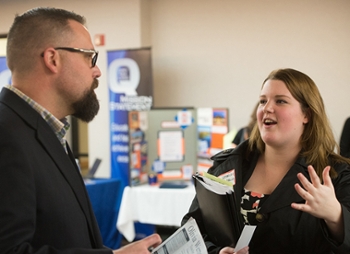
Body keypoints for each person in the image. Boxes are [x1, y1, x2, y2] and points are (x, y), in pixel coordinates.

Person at [0, 7, 161, 254]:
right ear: (53, 59)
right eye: (89, 57)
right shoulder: (6, 134)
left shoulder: (48, 129)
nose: (97, 70)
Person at [182, 68, 350, 254]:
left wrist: (336, 217)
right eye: (263, 101)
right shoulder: (227, 165)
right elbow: (191, 232)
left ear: (306, 115)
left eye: (280, 101)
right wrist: (217, 252)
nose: (267, 108)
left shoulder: (336, 175)